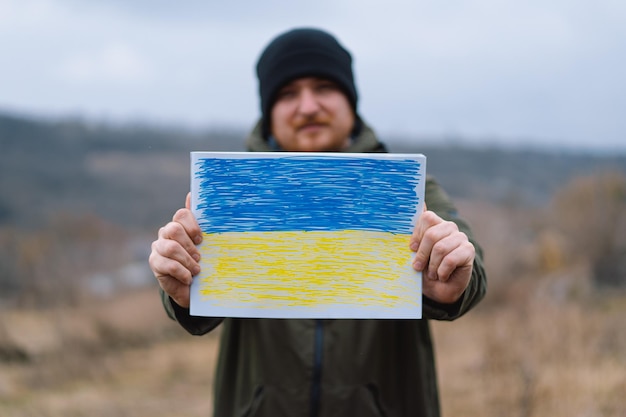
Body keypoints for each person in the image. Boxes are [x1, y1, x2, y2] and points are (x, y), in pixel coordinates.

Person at [149, 27, 487, 417]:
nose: (308, 106)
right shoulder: (230, 192)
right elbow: (190, 280)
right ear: (269, 110)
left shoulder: (409, 191)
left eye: (324, 87)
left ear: (350, 100)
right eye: (289, 93)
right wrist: (181, 291)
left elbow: (471, 264)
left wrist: (451, 275)